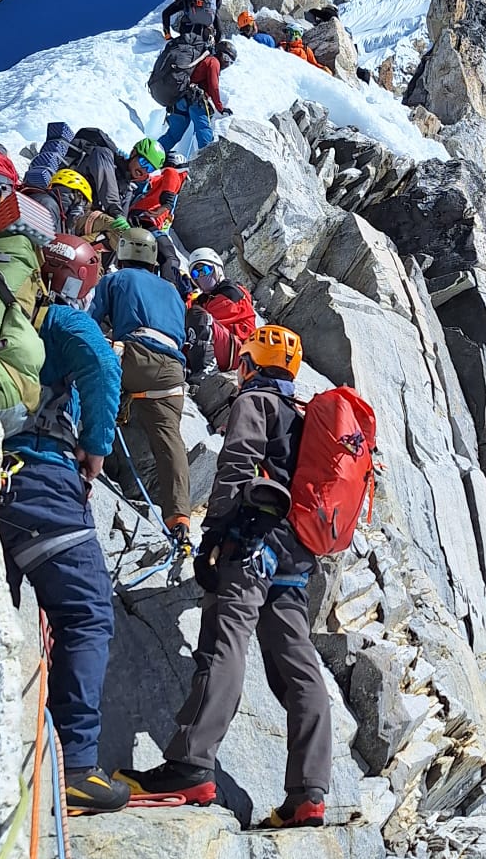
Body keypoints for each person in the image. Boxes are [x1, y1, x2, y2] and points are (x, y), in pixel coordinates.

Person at [115, 325, 331, 827]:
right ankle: (309, 794)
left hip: (252, 544)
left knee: (223, 645)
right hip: (294, 559)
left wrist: (214, 536)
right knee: (298, 668)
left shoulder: (256, 401)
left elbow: (236, 464)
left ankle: (190, 765)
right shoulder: (303, 417)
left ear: (249, 364)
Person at [0, 236, 129, 814]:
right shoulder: (62, 321)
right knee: (86, 614)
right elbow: (102, 365)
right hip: (43, 481)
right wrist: (96, 447)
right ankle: (75, 766)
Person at [90, 228, 192, 554]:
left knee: (88, 376)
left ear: (122, 254)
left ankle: (78, 454)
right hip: (172, 371)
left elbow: (89, 322)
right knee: (169, 440)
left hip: (134, 356)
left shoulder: (115, 279)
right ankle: (179, 518)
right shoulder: (173, 291)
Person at [155, 41, 236, 159]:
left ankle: (153, 154)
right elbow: (214, 86)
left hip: (181, 99)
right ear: (219, 53)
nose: (227, 63)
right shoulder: (214, 62)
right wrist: (220, 108)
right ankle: (208, 159)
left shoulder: (204, 59)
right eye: (226, 58)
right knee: (203, 129)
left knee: (174, 134)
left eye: (230, 62)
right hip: (196, 100)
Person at [185, 247, 256, 369]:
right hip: (227, 346)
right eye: (196, 274)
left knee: (199, 318)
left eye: (206, 270)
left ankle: (204, 369)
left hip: (238, 350)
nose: (202, 276)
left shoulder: (230, 293)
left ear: (217, 269)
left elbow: (208, 320)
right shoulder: (206, 298)